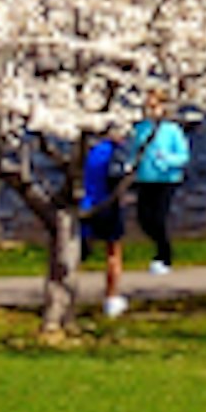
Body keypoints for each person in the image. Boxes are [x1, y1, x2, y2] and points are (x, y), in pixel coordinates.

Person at [128, 111, 191, 272]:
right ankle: (161, 247)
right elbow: (135, 150)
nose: (150, 111)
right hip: (144, 178)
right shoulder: (141, 128)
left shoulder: (172, 129)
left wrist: (167, 159)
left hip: (166, 179)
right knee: (143, 217)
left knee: (158, 217)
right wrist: (130, 165)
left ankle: (164, 255)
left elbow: (183, 155)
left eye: (154, 106)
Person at [77, 133, 130, 318]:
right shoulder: (113, 152)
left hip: (85, 204)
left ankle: (67, 290)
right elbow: (117, 177)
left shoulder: (84, 149)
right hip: (107, 205)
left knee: (78, 252)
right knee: (113, 252)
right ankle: (111, 297)